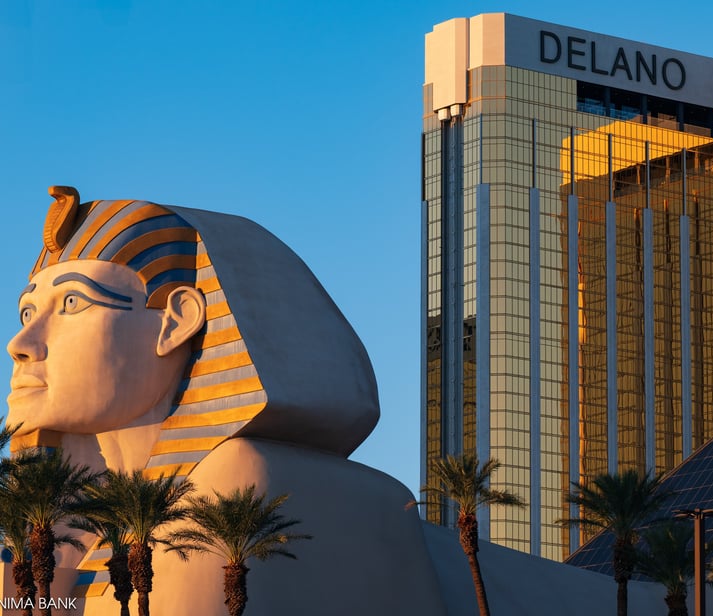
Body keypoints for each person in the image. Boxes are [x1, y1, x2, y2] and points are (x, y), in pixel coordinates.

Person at [6, 186, 446, 616]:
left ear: (176, 322)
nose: (21, 343)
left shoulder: (248, 482)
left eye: (71, 302)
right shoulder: (60, 515)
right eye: (28, 312)